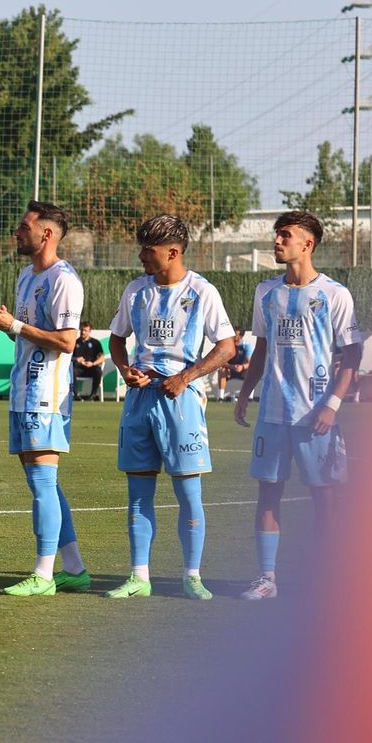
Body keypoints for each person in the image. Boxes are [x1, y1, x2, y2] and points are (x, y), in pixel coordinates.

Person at [105, 214, 236, 600]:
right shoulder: (136, 290)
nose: (142, 257)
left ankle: (192, 576)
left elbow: (226, 346)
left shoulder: (202, 291)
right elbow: (116, 338)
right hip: (140, 401)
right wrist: (125, 369)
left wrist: (187, 376)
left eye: (149, 250)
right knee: (138, 494)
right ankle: (138, 577)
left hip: (182, 402)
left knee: (188, 495)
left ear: (173, 252)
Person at [232, 211, 362, 600]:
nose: (277, 241)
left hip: (315, 415)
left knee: (325, 496)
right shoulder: (266, 292)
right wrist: (244, 392)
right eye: (277, 235)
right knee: (268, 493)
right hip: (273, 413)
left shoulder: (334, 294)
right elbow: (262, 346)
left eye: (284, 235)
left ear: (307, 244)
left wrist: (332, 405)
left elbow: (352, 353)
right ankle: (266, 578)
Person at [0, 201, 91, 596]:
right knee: (42, 483)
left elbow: (66, 340)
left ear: (46, 234)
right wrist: (9, 327)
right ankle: (75, 568)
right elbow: (30, 332)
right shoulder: (26, 277)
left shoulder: (65, 279)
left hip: (46, 394)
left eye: (24, 226)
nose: (17, 232)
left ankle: (44, 575)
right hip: (23, 391)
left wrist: (15, 324)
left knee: (43, 482)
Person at [215, 331, 253, 400]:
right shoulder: (227, 346)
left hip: (242, 371)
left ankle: (249, 397)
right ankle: (220, 397)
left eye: (235, 334)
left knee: (251, 371)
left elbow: (250, 363)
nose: (233, 336)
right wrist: (231, 367)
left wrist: (242, 367)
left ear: (241, 336)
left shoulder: (246, 346)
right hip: (230, 370)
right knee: (222, 370)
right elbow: (221, 362)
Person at [72, 324, 105, 400]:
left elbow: (102, 357)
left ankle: (92, 395)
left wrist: (93, 363)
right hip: (79, 368)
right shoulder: (75, 342)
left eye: (85, 330)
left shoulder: (95, 342)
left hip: (91, 368)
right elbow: (69, 357)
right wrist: (77, 359)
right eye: (82, 330)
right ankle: (76, 395)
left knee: (98, 371)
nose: (83, 332)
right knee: (71, 371)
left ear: (89, 331)